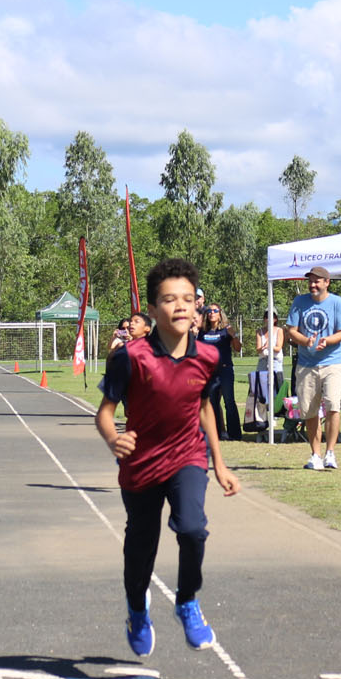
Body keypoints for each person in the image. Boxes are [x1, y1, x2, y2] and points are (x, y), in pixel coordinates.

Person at [95, 257, 239, 658]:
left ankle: (187, 600)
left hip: (187, 455)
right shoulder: (130, 357)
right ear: (154, 309)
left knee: (193, 529)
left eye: (188, 299)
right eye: (170, 299)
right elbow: (105, 412)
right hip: (141, 463)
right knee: (141, 547)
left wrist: (220, 464)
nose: (180, 306)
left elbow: (204, 408)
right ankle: (137, 611)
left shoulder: (208, 357)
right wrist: (112, 439)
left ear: (197, 306)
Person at [285, 265, 341, 470]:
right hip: (306, 365)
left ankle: (330, 453)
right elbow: (291, 330)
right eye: (310, 281)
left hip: (332, 362)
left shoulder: (337, 302)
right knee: (310, 411)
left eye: (317, 281)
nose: (313, 285)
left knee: (332, 406)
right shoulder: (299, 302)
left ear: (327, 282)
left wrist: (327, 341)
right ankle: (316, 455)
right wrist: (305, 341)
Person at [198, 304, 242, 441]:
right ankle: (216, 433)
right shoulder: (203, 332)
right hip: (209, 372)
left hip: (225, 370)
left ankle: (234, 434)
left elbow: (237, 348)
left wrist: (233, 336)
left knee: (229, 401)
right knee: (212, 403)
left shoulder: (226, 330)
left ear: (220, 314)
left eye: (215, 310)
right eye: (209, 311)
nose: (212, 313)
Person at [255, 311, 284, 394]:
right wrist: (263, 347)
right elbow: (258, 349)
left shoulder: (279, 330)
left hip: (275, 361)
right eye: (266, 317)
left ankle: (280, 406)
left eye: (271, 317)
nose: (269, 319)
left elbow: (278, 348)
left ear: (275, 319)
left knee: (279, 387)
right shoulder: (259, 331)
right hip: (263, 361)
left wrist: (269, 346)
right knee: (259, 388)